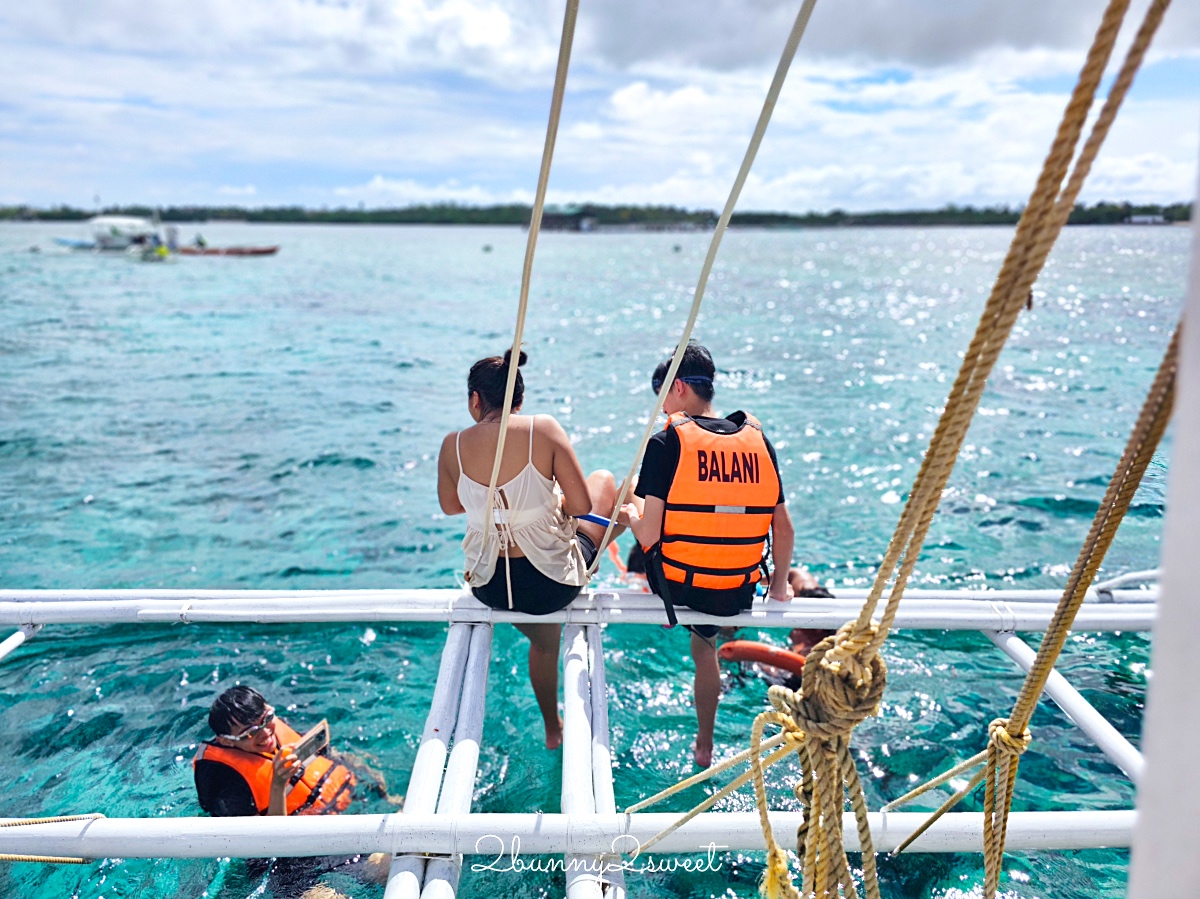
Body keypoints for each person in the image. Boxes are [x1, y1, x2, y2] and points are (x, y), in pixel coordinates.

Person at [618, 343, 794, 767]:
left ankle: (702, 745)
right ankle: (706, 742)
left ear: (677, 389)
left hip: (682, 586)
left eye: (662, 399)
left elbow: (649, 533)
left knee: (626, 494)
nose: (661, 411)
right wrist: (781, 586)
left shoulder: (666, 442)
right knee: (707, 642)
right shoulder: (758, 441)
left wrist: (628, 512)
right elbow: (783, 529)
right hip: (736, 589)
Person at [437, 349, 623, 750]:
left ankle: (551, 727)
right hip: (549, 585)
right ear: (519, 401)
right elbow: (581, 507)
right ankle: (634, 539)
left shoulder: (452, 445)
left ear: (475, 400)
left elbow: (452, 506)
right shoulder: (544, 429)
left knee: (544, 637)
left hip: (490, 586)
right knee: (608, 483)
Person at [193, 686, 388, 898]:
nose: (265, 733)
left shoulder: (274, 729)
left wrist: (369, 774)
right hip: (290, 864)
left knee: (389, 865)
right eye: (249, 733)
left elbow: (329, 755)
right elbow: (271, 842)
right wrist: (278, 783)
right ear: (226, 741)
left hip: (336, 831)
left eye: (266, 719)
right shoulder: (224, 779)